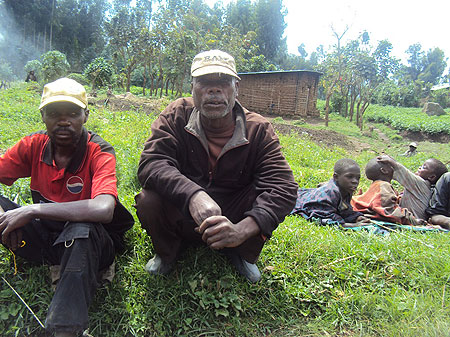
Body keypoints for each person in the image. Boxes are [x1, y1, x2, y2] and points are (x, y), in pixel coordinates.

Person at [135, 50, 298, 283]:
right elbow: (152, 162)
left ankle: (239, 249)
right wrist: (193, 195)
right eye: (204, 82)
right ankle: (168, 252)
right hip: (184, 212)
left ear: (236, 88)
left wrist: (242, 229)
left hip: (234, 215)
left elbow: (283, 187)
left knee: (262, 194)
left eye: (223, 82)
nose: (214, 90)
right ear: (192, 86)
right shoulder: (176, 115)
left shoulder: (258, 129)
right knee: (149, 198)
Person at [0, 78, 134, 337]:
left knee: (81, 229)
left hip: (92, 244)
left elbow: (104, 209)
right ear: (42, 116)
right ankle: (58, 265)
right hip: (48, 240)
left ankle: (64, 329)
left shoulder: (99, 151)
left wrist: (32, 210)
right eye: (54, 114)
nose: (64, 121)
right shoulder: (33, 145)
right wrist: (4, 217)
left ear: (86, 115)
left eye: (72, 113)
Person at [291, 158, 368, 226]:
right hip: (296, 200)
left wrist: (356, 217)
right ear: (336, 177)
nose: (355, 181)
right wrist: (352, 225)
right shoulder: (330, 192)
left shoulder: (347, 190)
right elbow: (324, 216)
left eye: (358, 178)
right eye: (349, 177)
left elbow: (343, 210)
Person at [351, 157, 424, 226]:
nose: (394, 168)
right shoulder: (384, 186)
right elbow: (387, 211)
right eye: (391, 166)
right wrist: (411, 220)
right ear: (384, 171)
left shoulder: (377, 184)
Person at [377, 155, 447, 221]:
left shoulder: (421, 184)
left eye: (424, 167)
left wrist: (392, 162)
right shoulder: (426, 187)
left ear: (431, 177)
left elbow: (403, 173)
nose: (419, 167)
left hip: (413, 220)